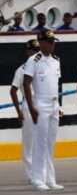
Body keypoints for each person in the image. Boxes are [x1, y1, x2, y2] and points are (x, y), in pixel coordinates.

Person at [22, 29, 63, 191]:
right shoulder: (34, 60)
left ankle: (50, 178)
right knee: (40, 143)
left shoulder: (56, 60)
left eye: (53, 42)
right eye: (50, 42)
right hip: (40, 103)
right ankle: (38, 178)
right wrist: (31, 106)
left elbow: (56, 84)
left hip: (54, 104)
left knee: (50, 143)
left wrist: (59, 105)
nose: (53, 45)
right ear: (42, 43)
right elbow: (26, 83)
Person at [10, 40, 38, 183]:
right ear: (28, 52)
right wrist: (18, 112)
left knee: (41, 141)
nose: (35, 52)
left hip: (42, 106)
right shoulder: (21, 70)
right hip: (28, 107)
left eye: (37, 50)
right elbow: (13, 91)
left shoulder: (42, 66)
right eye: (33, 50)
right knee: (29, 142)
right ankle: (30, 174)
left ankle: (40, 172)